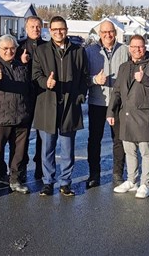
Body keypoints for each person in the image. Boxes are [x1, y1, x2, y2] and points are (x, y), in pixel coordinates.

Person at [32, 16, 88, 197]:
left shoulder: (78, 51)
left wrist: (80, 96)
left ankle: (65, 182)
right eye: (54, 29)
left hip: (69, 105)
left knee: (67, 148)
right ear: (50, 31)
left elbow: (84, 77)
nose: (58, 32)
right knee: (47, 147)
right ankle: (48, 182)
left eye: (61, 29)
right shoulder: (41, 51)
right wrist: (44, 83)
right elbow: (35, 75)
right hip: (48, 104)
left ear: (66, 29)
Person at [107, 35, 149, 199]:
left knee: (146, 152)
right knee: (129, 150)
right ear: (129, 48)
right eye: (134, 46)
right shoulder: (124, 67)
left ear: (145, 48)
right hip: (126, 115)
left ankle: (145, 183)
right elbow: (116, 91)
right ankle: (132, 180)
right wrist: (110, 112)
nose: (137, 49)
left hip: (144, 114)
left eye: (140, 47)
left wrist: (145, 79)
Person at [0, 34, 33, 197]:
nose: (9, 51)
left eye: (12, 48)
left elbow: (28, 87)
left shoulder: (21, 66)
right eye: (5, 49)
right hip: (0, 118)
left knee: (19, 152)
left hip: (21, 117)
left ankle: (15, 179)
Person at [84, 19, 129, 188]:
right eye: (104, 32)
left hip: (118, 104)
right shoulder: (89, 52)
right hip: (98, 102)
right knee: (94, 140)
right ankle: (94, 174)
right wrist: (95, 79)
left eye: (110, 32)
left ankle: (117, 174)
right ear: (99, 34)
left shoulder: (124, 50)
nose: (107, 35)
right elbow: (82, 78)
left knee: (119, 140)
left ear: (115, 33)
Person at [15, 16, 46, 182]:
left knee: (43, 132)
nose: (35, 29)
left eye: (38, 26)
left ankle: (41, 167)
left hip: (42, 95)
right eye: (32, 26)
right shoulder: (19, 47)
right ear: (26, 29)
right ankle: (21, 169)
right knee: (23, 134)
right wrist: (21, 62)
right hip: (25, 96)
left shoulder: (47, 46)